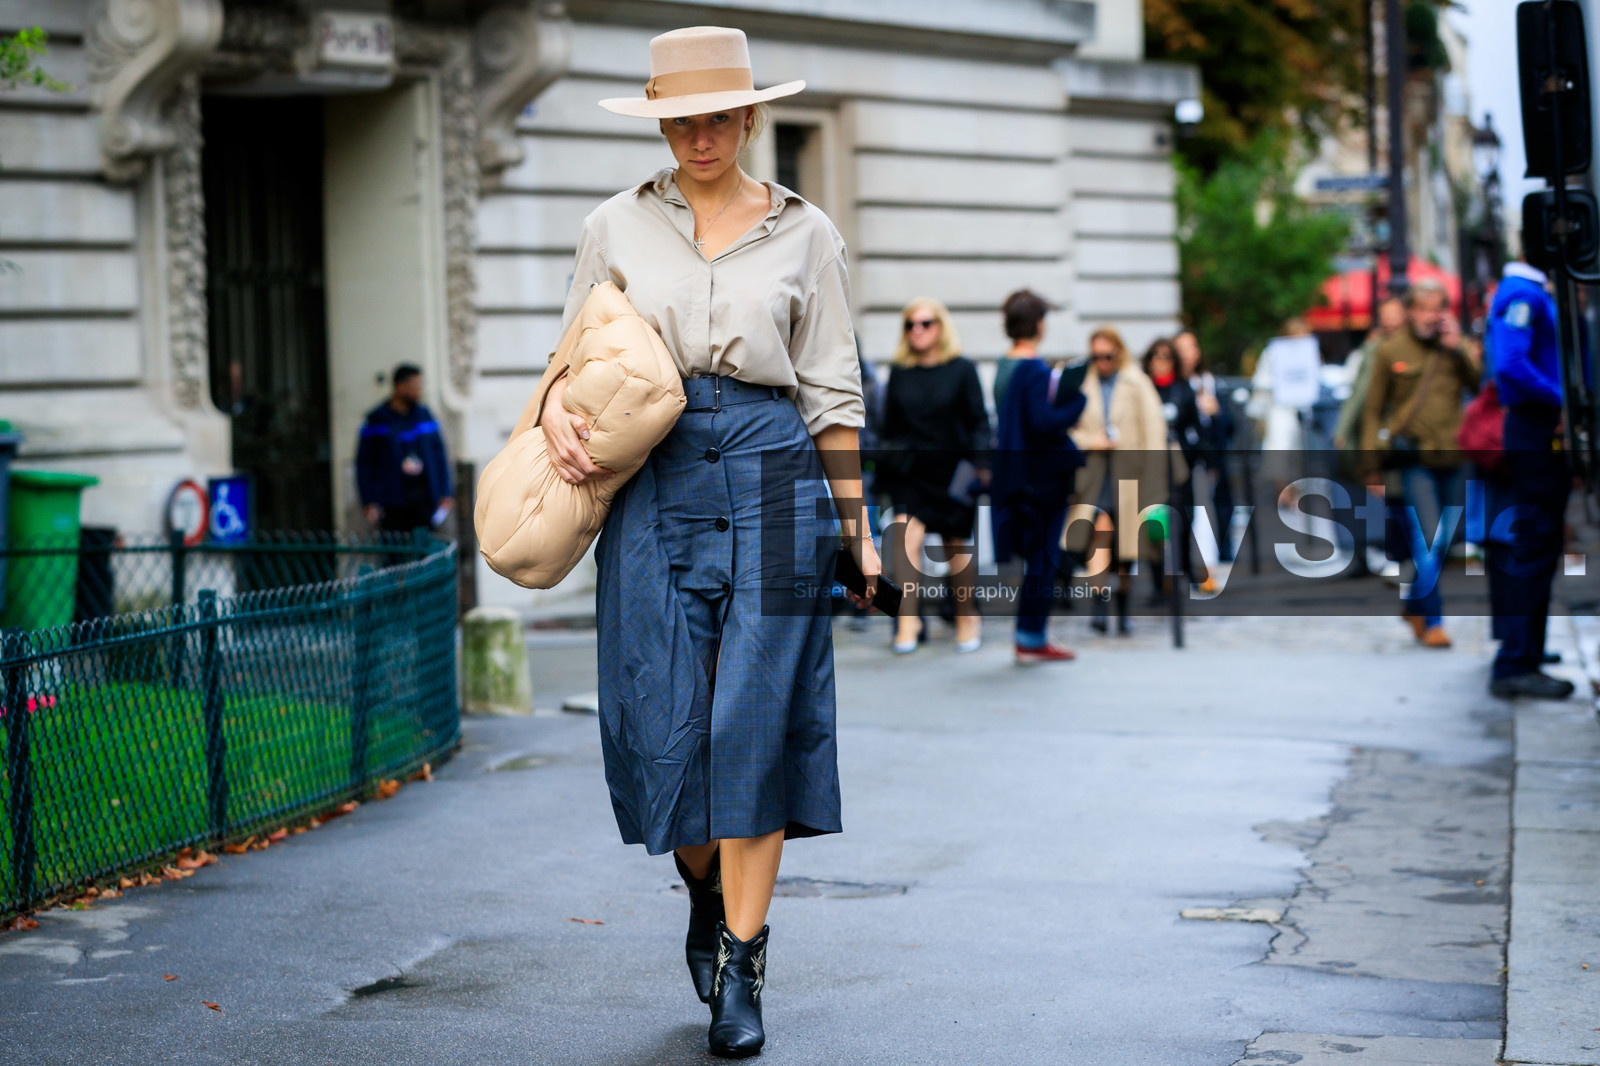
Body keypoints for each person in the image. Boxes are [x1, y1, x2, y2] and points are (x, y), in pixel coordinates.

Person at [540, 28, 874, 1058]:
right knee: (666, 724)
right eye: (681, 120)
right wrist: (552, 413)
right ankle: (704, 890)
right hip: (657, 474)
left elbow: (833, 391)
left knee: (754, 721)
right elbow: (569, 359)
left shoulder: (806, 232)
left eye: (718, 117)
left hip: (776, 470)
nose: (699, 137)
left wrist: (857, 530)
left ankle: (743, 960)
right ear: (659, 122)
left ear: (750, 117)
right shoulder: (613, 226)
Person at [1360, 279, 1480, 649]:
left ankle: (1414, 603)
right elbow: (1372, 410)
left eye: (1438, 308)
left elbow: (1480, 386)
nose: (1431, 316)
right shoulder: (1390, 350)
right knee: (1429, 538)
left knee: (1447, 540)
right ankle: (1433, 621)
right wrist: (1370, 465)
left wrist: (1458, 350)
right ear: (1411, 312)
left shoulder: (1454, 347)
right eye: (1425, 308)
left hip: (1454, 455)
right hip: (1415, 460)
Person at [1485, 260, 1575, 700]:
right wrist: (1563, 400)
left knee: (1539, 546)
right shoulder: (1523, 293)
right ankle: (1516, 662)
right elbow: (1510, 364)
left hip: (1537, 428)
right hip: (1537, 429)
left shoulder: (1525, 291)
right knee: (1534, 546)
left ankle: (1526, 653)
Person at [880, 298, 989, 654]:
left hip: (956, 471)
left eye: (925, 323)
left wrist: (980, 465)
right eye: (910, 324)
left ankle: (966, 615)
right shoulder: (900, 371)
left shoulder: (962, 369)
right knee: (905, 538)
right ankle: (908, 621)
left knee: (956, 547)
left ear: (941, 327)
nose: (917, 330)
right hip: (912, 472)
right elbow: (889, 426)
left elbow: (979, 422)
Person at [989, 289, 1086, 663]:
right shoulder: (1033, 368)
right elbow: (1043, 422)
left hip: (1018, 474)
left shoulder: (1004, 365)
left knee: (1037, 557)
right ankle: (1031, 638)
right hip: (1041, 476)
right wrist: (1076, 402)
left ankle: (1029, 636)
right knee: (1044, 558)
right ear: (1039, 325)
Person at [1065, 327, 1168, 635]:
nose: (1102, 362)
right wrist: (1091, 440)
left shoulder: (1136, 382)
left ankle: (1123, 605)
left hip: (1130, 473)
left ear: (1119, 352)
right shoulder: (1082, 382)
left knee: (1127, 544)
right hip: (1094, 475)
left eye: (1107, 356)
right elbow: (1065, 429)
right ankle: (1099, 602)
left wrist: (1154, 480)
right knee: (1099, 530)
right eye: (1096, 357)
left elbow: (1154, 433)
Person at [355, 363, 453, 535]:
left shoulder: (425, 415)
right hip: (391, 502)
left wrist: (445, 492)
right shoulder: (376, 419)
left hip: (424, 500)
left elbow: (439, 455)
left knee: (425, 545)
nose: (419, 391)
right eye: (415, 386)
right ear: (400, 386)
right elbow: (364, 462)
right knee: (395, 547)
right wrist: (369, 500)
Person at [1143, 338, 1208, 595]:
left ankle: (1184, 568)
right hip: (1151, 465)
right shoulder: (1144, 389)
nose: (1160, 362)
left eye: (1166, 357)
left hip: (1179, 464)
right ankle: (1158, 579)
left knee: (1184, 517)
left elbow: (1195, 426)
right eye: (1156, 356)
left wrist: (1199, 455)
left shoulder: (1182, 389)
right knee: (1155, 521)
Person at [1173, 330, 1235, 563]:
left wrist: (1217, 411)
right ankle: (1195, 559)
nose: (1186, 354)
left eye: (1190, 348)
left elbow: (1231, 425)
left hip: (1213, 452)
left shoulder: (1211, 382)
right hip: (1187, 455)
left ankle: (1222, 552)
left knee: (1219, 503)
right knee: (1192, 508)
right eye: (1181, 349)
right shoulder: (1176, 386)